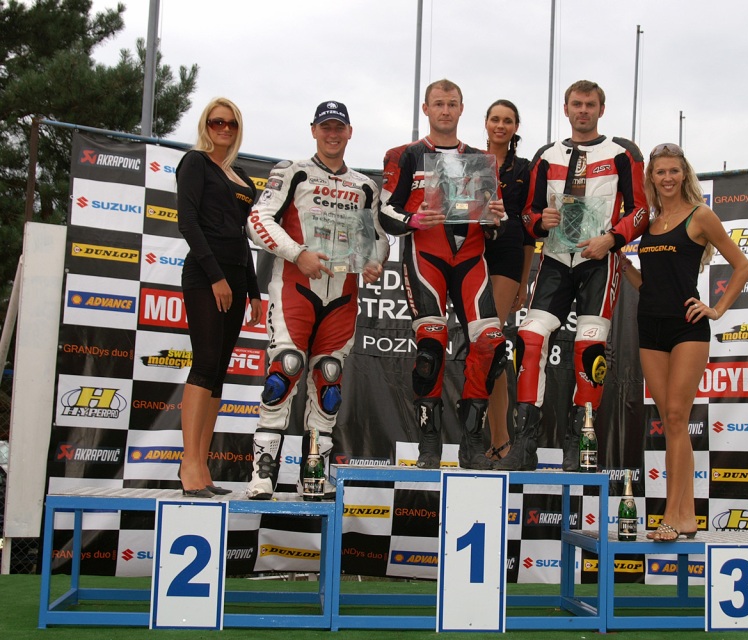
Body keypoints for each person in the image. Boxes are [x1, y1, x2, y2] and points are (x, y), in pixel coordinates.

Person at [495, 80, 650, 472]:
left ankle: (581, 442)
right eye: (577, 104)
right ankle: (525, 442)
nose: (583, 110)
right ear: (565, 109)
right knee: (530, 337)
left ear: (601, 109)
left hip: (599, 260)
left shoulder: (622, 152)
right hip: (555, 259)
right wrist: (540, 221)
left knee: (589, 347)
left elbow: (641, 211)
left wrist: (611, 239)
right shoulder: (546, 156)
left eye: (590, 104)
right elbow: (528, 215)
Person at [245, 101, 388, 500]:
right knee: (285, 370)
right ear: (313, 130)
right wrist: (298, 254)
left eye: (339, 127)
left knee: (329, 379)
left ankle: (314, 472)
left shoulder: (365, 186)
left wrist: (373, 262)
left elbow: (378, 238)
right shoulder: (293, 171)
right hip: (296, 286)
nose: (332, 134)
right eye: (326, 127)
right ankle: (263, 471)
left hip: (342, 294)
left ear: (349, 132)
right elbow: (258, 220)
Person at [625, 142, 748, 541]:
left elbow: (743, 266)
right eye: (660, 172)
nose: (667, 178)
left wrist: (716, 309)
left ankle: (669, 516)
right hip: (650, 327)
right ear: (651, 177)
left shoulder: (701, 216)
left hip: (687, 328)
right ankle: (687, 516)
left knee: (678, 417)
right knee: (671, 422)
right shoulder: (649, 224)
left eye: (673, 171)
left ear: (684, 175)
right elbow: (649, 285)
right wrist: (624, 266)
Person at [379, 79, 507, 470]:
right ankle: (429, 443)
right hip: (426, 257)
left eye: (452, 104)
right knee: (431, 347)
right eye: (438, 103)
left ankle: (472, 440)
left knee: (490, 344)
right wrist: (413, 219)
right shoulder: (406, 155)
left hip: (470, 258)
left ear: (462, 109)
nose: (445, 110)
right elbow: (385, 212)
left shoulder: (482, 159)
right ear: (426, 109)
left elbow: (494, 223)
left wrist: (495, 220)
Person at [176, 97, 263, 497]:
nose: (224, 129)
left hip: (237, 277)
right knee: (205, 362)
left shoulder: (240, 175)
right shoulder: (194, 163)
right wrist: (215, 277)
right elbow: (188, 222)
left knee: (218, 371)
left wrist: (254, 290)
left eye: (231, 124)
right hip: (205, 275)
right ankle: (188, 463)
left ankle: (203, 463)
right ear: (205, 125)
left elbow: (242, 236)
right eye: (217, 122)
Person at [482, 99, 534, 463]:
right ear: (485, 123)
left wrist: (524, 280)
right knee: (481, 344)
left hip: (509, 253)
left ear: (515, 127)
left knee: (490, 338)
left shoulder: (525, 168)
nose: (501, 125)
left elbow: (530, 228)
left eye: (508, 121)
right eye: (495, 119)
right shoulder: (468, 160)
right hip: (471, 251)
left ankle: (501, 439)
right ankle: (493, 436)